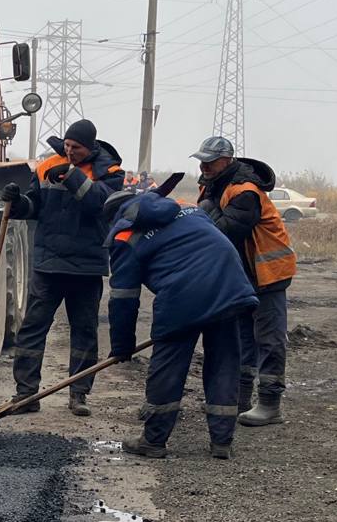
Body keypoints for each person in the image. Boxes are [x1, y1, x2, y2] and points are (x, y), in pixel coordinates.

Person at [104, 189, 258, 460]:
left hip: (184, 293)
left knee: (168, 366)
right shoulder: (186, 208)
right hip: (230, 284)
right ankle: (222, 442)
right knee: (224, 362)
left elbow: (124, 298)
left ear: (115, 217)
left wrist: (122, 346)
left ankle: (153, 441)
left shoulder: (124, 237)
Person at [1, 118, 125, 417]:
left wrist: (71, 175)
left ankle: (78, 394)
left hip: (86, 267)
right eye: (67, 146)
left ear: (90, 147)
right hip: (49, 264)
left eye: (77, 148)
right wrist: (17, 204)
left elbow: (100, 205)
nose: (70, 152)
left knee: (84, 332)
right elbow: (36, 207)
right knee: (32, 329)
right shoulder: (47, 165)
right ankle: (26, 394)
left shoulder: (110, 172)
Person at [193, 136, 297, 426]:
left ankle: (270, 404)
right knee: (243, 338)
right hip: (241, 274)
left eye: (210, 161)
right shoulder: (212, 186)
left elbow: (224, 232)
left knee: (269, 339)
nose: (204, 166)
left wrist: (204, 214)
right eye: (202, 161)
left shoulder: (245, 191)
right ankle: (240, 399)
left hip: (267, 273)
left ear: (227, 161)